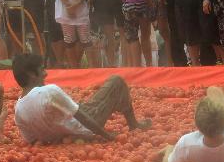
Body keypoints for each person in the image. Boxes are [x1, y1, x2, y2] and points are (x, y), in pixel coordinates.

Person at [13, 53, 150, 144]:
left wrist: (58, 139)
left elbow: (31, 140)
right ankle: (134, 124)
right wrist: (107, 136)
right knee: (116, 81)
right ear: (31, 74)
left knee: (81, 105)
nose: (46, 73)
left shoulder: (18, 109)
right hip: (83, 127)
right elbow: (83, 118)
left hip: (64, 137)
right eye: (42, 69)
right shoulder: (49, 92)